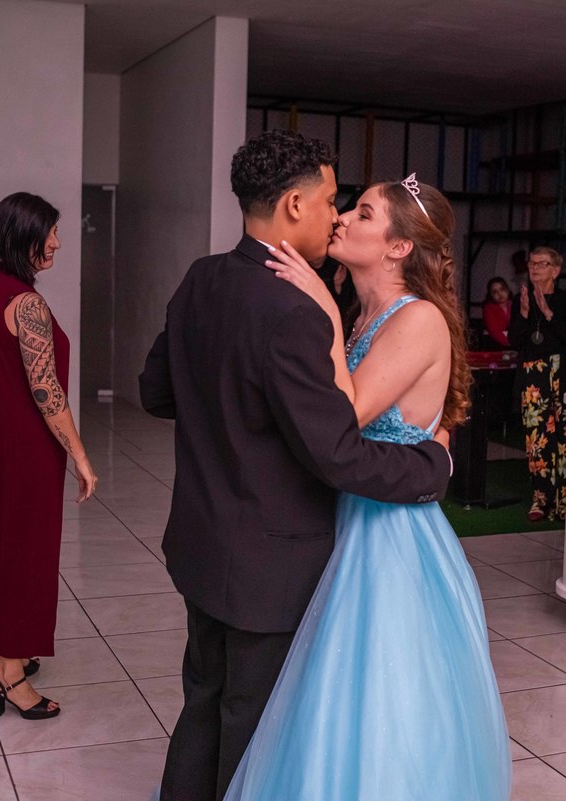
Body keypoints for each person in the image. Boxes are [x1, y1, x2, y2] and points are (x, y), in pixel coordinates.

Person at [139, 131, 452, 801]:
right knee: (252, 729)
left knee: (204, 701)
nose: (335, 215)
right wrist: (432, 468)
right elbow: (337, 451)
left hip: (202, 544)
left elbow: (157, 393)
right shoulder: (295, 310)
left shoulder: (201, 278)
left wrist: (225, 410)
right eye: (332, 201)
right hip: (268, 564)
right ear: (292, 205)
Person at [239, 174, 512, 801]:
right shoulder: (366, 316)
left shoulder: (418, 319)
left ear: (398, 247)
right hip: (346, 513)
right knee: (325, 691)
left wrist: (323, 312)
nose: (342, 218)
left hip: (390, 537)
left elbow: (347, 413)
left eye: (363, 213)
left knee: (378, 692)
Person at [0, 192, 97, 721]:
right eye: (50, 232)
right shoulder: (27, 305)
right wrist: (80, 455)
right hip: (24, 452)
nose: (57, 242)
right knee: (26, 556)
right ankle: (9, 676)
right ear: (23, 237)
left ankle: (7, 650)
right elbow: (47, 392)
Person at [508, 246, 566, 521]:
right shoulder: (521, 299)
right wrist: (525, 313)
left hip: (562, 374)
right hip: (534, 376)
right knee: (537, 439)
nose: (535, 268)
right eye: (532, 264)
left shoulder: (565, 300)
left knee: (564, 438)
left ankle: (564, 502)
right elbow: (514, 340)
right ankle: (540, 499)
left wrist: (547, 312)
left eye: (542, 264)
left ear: (556, 270)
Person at [482, 276, 513, 348]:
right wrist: (509, 342)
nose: (499, 294)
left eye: (502, 289)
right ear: (491, 295)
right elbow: (494, 331)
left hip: (514, 342)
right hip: (494, 343)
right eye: (495, 292)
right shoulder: (488, 308)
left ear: (508, 290)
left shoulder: (514, 304)